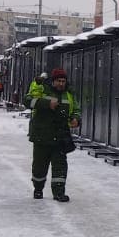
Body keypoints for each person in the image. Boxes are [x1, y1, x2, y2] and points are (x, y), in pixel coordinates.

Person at [28, 67, 79, 201]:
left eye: (63, 81)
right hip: (42, 136)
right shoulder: (43, 90)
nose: (61, 84)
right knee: (39, 166)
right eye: (58, 81)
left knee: (60, 167)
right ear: (53, 81)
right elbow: (28, 101)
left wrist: (76, 119)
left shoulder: (69, 94)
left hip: (61, 137)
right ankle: (38, 189)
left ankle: (59, 193)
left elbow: (76, 109)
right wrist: (46, 103)